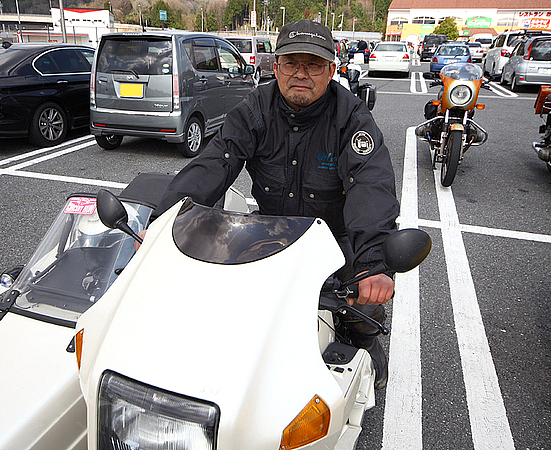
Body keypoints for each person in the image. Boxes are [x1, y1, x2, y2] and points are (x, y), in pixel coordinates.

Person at [152, 19, 399, 389]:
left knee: (362, 310)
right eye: (290, 63)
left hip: (333, 240)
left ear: (332, 70)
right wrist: (160, 222)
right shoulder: (255, 109)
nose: (301, 73)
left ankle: (365, 344)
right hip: (270, 232)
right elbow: (215, 160)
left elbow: (371, 186)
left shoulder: (351, 118)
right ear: (276, 66)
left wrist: (375, 264)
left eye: (313, 64)